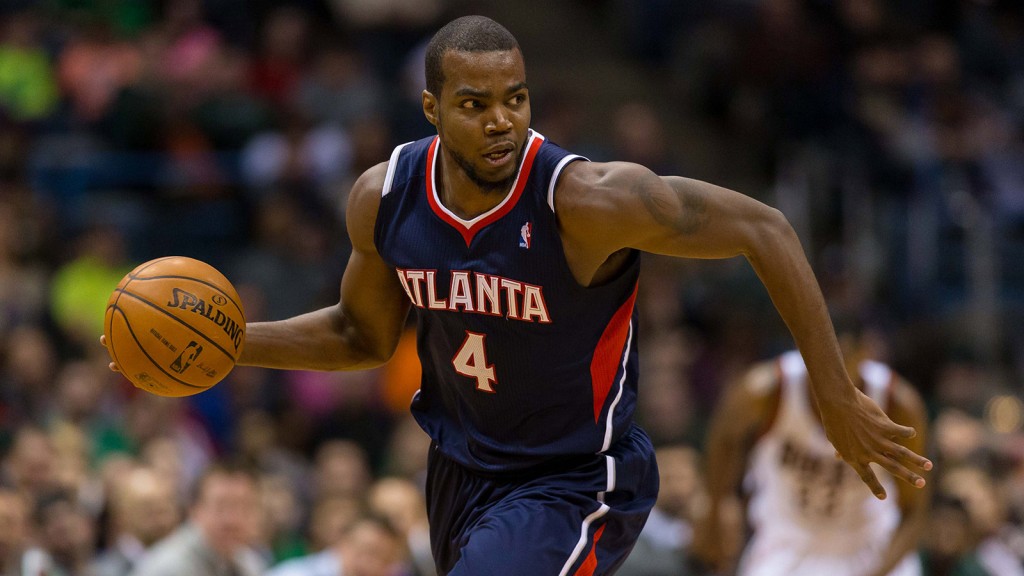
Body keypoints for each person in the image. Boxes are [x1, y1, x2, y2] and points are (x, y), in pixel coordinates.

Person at [103, 15, 931, 575]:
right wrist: (227, 344)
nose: (501, 120)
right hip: (460, 472)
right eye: (475, 104)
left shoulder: (588, 201)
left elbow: (765, 227)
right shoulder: (383, 198)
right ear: (432, 109)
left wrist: (832, 390)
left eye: (516, 98)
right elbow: (362, 336)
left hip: (576, 475)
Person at [694, 327, 930, 576]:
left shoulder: (897, 403)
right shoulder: (768, 389)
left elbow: (915, 512)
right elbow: (724, 438)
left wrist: (879, 572)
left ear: (864, 355)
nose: (833, 375)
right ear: (805, 353)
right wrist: (716, 506)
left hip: (870, 547)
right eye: (824, 361)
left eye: (843, 362)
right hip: (786, 545)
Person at [128, 461, 266, 576]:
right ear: (194, 510)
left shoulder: (249, 563)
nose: (232, 520)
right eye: (221, 506)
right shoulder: (168, 568)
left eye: (243, 507)